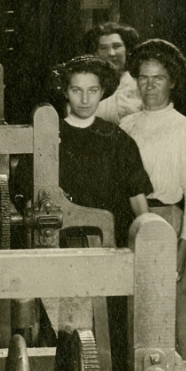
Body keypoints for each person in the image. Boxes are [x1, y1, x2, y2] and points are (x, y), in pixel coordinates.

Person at [118, 39, 186, 371]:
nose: (150, 85)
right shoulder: (126, 127)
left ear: (172, 81)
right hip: (134, 225)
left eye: (158, 78)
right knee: (139, 315)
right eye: (143, 77)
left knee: (179, 320)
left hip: (171, 223)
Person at [54, 55, 153, 248]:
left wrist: (147, 238)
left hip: (112, 242)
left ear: (102, 92)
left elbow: (137, 196)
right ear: (65, 92)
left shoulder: (117, 138)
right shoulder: (50, 136)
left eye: (93, 90)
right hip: (63, 243)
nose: (84, 99)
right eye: (76, 90)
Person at [82, 22, 143, 123]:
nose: (111, 53)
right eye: (103, 48)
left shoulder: (140, 85)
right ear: (95, 53)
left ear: (126, 50)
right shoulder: (84, 86)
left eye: (117, 46)